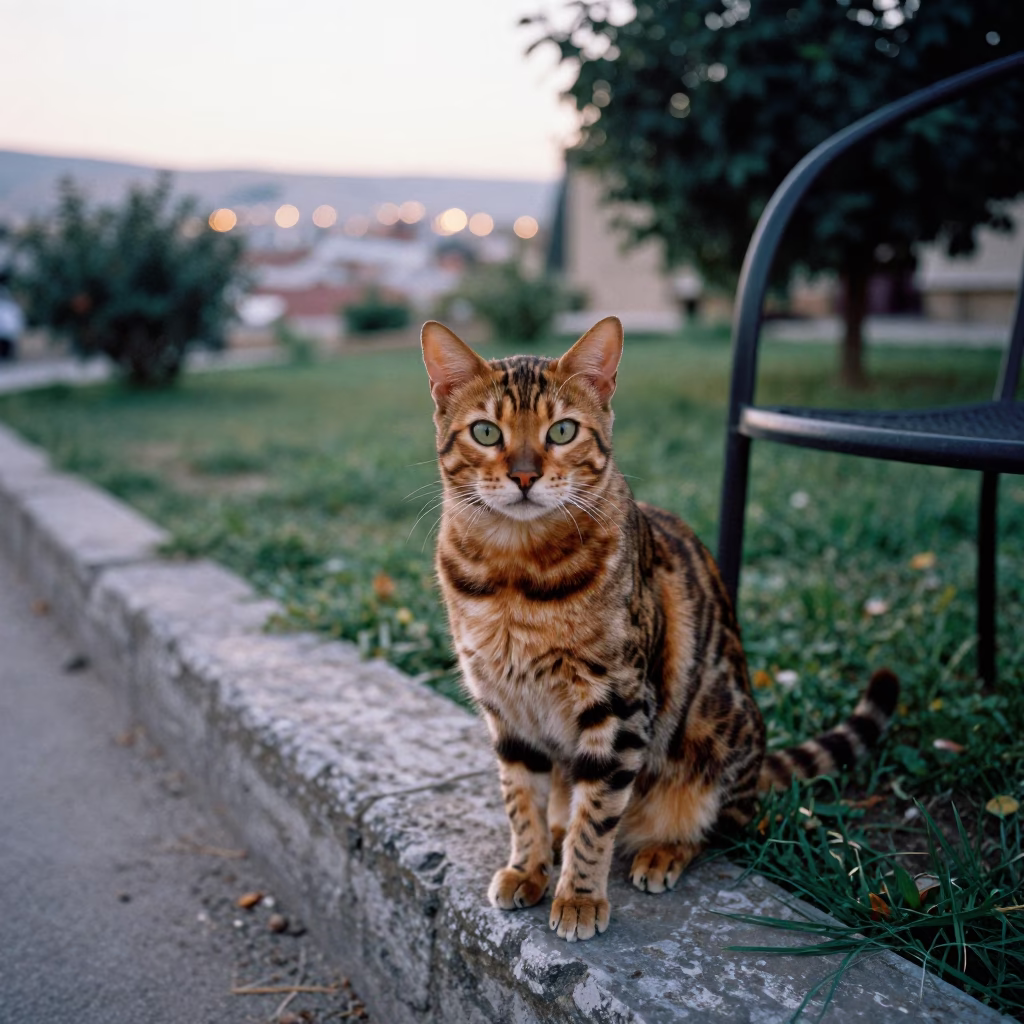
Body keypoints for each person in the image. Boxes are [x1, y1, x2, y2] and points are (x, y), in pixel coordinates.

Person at [0, 278, 24, 361]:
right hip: (5, 326)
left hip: (7, 327)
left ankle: (8, 356)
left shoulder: (9, 302)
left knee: (8, 340)